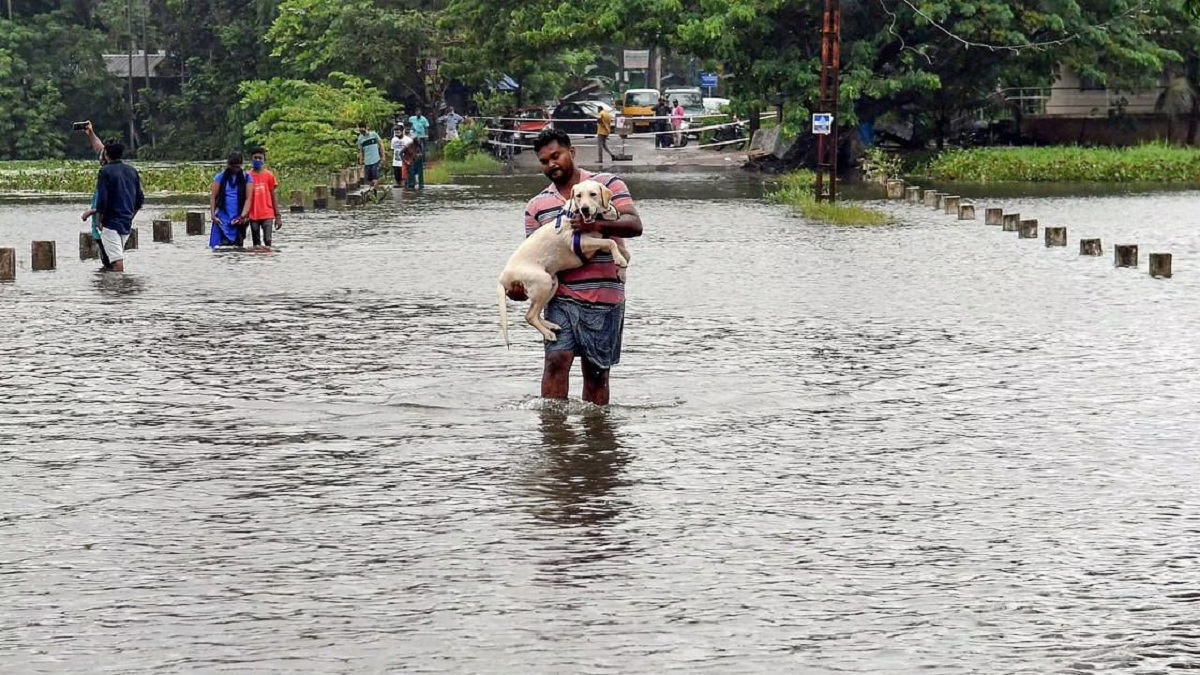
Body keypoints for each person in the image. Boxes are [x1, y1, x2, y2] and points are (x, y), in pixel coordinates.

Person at [508, 128, 643, 405]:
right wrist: (520, 289)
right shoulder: (537, 206)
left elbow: (634, 225)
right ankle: (554, 437)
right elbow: (534, 259)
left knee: (596, 374)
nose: (551, 164)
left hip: (604, 297)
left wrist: (595, 224)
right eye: (544, 161)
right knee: (556, 362)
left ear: (572, 152)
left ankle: (597, 440)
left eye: (556, 156)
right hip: (561, 298)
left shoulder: (608, 185)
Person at [92, 142, 145, 273]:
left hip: (110, 222)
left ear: (106, 155)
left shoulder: (105, 171)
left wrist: (99, 220)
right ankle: (113, 286)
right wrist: (131, 216)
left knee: (117, 261)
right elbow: (139, 200)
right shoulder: (132, 171)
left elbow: (103, 198)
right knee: (114, 256)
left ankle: (118, 289)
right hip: (126, 221)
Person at [77, 122, 112, 270]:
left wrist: (92, 213)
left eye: (103, 155)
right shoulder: (110, 169)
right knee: (108, 262)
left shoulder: (110, 174)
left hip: (105, 224)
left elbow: (108, 201)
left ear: (106, 157)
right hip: (102, 224)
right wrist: (90, 133)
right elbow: (99, 147)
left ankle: (112, 290)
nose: (100, 155)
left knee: (110, 262)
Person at [209, 153, 253, 248]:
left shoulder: (247, 178)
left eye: (237, 167)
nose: (235, 169)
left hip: (239, 218)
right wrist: (213, 215)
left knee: (238, 247)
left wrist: (242, 217)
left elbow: (248, 199)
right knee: (221, 247)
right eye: (233, 167)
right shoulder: (220, 177)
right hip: (222, 218)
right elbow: (213, 197)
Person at [246, 146, 281, 248]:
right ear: (251, 159)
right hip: (253, 214)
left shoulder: (269, 175)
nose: (257, 160)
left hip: (267, 213)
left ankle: (268, 260)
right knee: (256, 243)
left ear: (264, 159)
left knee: (268, 240)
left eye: (260, 158)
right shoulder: (247, 176)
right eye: (255, 158)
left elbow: (273, 195)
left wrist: (277, 216)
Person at [356, 122, 383, 188]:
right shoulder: (360, 138)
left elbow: (381, 145)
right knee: (369, 179)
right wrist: (360, 161)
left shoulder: (374, 134)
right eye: (360, 131)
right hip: (367, 161)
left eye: (363, 130)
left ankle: (375, 192)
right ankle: (371, 191)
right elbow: (361, 151)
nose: (362, 132)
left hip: (375, 159)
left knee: (375, 177)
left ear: (366, 128)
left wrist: (383, 156)